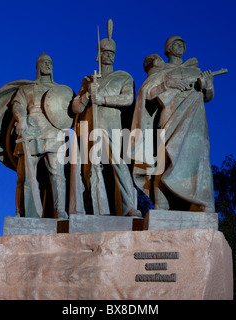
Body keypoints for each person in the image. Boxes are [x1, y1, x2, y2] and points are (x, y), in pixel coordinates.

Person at [131, 36, 216, 213]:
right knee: (165, 158)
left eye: (182, 44)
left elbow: (208, 96)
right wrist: (168, 83)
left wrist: (208, 85)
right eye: (176, 44)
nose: (180, 47)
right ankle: (162, 204)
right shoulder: (160, 70)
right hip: (170, 116)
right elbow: (147, 93)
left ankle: (200, 202)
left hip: (196, 119)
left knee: (199, 157)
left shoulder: (195, 70)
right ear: (168, 49)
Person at [69, 21, 140, 217]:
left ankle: (129, 207)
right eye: (104, 52)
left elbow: (128, 99)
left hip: (113, 127)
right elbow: (76, 107)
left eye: (111, 53)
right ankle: (94, 210)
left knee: (119, 165)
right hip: (91, 129)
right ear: (98, 54)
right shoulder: (89, 79)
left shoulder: (123, 77)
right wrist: (86, 95)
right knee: (91, 169)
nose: (108, 56)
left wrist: (103, 99)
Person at [12, 52, 69, 219]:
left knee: (58, 175)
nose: (47, 65)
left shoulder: (59, 90)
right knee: (25, 177)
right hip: (31, 132)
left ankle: (60, 210)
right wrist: (21, 119)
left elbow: (70, 110)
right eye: (44, 63)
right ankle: (22, 213)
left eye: (50, 63)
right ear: (37, 67)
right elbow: (18, 104)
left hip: (53, 133)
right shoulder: (27, 89)